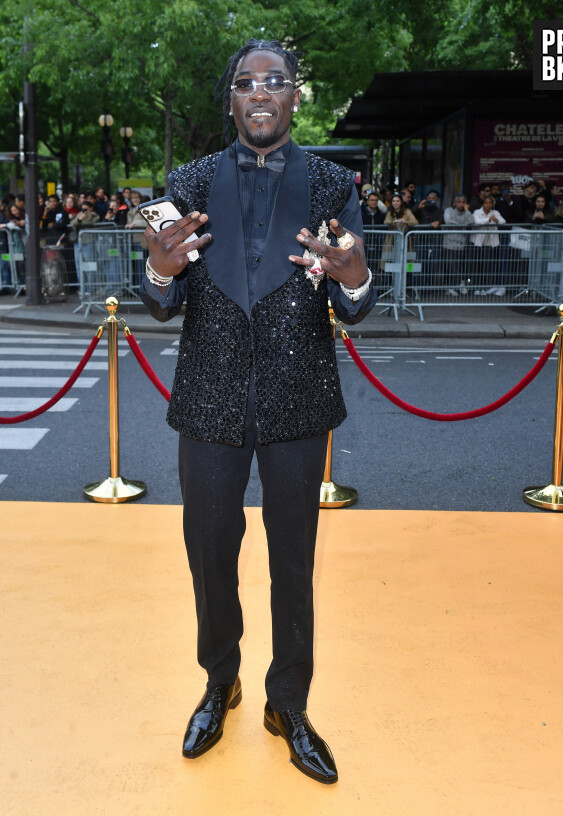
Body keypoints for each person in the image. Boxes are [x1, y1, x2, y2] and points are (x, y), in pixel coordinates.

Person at [139, 38, 375, 785]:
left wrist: (360, 275)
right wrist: (158, 268)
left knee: (292, 563)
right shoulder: (191, 179)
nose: (262, 92)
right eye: (248, 81)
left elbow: (354, 300)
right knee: (210, 555)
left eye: (277, 80)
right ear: (232, 98)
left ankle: (289, 703)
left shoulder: (335, 184)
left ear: (295, 95)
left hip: (298, 402)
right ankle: (221, 681)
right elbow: (163, 297)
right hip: (208, 400)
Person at [471, 195, 506, 296]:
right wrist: (488, 219)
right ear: (483, 204)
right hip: (479, 242)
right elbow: (477, 222)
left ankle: (485, 287)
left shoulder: (495, 213)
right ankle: (476, 287)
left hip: (490, 243)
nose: (488, 205)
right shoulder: (477, 212)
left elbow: (503, 222)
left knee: (487, 266)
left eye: (490, 203)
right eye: (486, 202)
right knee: (477, 265)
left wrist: (496, 220)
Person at [442, 193, 474, 296]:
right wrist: (461, 226)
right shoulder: (449, 210)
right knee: (451, 266)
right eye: (459, 202)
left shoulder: (466, 213)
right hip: (449, 243)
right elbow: (448, 221)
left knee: (461, 266)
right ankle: (450, 286)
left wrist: (467, 210)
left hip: (462, 244)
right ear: (455, 203)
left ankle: (460, 284)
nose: (461, 204)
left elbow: (471, 221)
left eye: (463, 202)